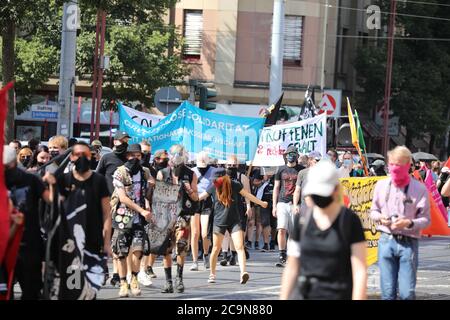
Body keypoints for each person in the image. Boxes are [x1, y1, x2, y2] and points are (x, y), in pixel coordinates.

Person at [280, 160, 367, 300]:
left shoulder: (350, 221)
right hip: (304, 294)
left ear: (336, 190)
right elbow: (292, 266)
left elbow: (359, 270)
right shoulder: (302, 220)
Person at [51, 141, 112, 298]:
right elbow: (53, 206)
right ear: (71, 157)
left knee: (90, 289)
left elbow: (106, 213)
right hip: (70, 244)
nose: (82, 158)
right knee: (73, 288)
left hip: (93, 242)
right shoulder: (64, 180)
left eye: (86, 155)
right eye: (78, 155)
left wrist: (106, 244)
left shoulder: (99, 180)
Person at [370, 146, 430, 300]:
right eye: (392, 164)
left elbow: (425, 219)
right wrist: (381, 218)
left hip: (408, 243)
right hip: (386, 240)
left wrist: (409, 223)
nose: (394, 168)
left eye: (399, 164)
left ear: (408, 165)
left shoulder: (419, 188)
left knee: (406, 293)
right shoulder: (381, 186)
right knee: (387, 293)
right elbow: (373, 211)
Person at [198, 168, 268, 284]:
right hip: (219, 221)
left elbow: (247, 195)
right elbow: (201, 197)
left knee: (240, 247)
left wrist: (261, 203)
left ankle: (243, 273)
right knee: (216, 248)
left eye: (216, 178)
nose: (214, 180)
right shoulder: (214, 186)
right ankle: (212, 274)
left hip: (235, 221)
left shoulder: (234, 184)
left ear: (224, 177)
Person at [4, 146, 53, 299]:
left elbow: (51, 200)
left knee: (31, 291)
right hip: (4, 246)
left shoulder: (31, 179)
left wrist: (52, 184)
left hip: (29, 245)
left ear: (13, 163)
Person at [151, 144, 199, 293]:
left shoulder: (191, 174)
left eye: (179, 155)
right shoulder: (162, 173)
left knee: (181, 246)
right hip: (166, 215)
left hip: (183, 214)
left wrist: (188, 189)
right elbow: (157, 197)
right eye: (174, 155)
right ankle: (168, 282)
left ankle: (179, 278)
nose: (176, 158)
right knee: (166, 249)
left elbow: (196, 197)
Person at [110, 143, 153, 298]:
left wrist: (151, 188)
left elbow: (148, 196)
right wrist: (141, 210)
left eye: (138, 155)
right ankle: (123, 283)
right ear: (126, 156)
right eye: (132, 155)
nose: (135, 158)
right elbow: (123, 198)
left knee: (138, 250)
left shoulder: (145, 172)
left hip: (139, 219)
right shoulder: (119, 173)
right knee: (121, 252)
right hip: (122, 216)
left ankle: (134, 278)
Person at [96, 131, 130, 286]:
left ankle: (118, 273)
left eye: (127, 141)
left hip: (125, 205)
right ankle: (104, 269)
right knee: (106, 236)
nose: (125, 143)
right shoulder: (107, 158)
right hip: (109, 203)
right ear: (115, 142)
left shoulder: (129, 158)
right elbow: (98, 177)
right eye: (122, 141)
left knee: (120, 238)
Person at [272, 145, 305, 267]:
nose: (291, 156)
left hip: (295, 204)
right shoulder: (280, 169)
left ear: (297, 156)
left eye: (293, 154)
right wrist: (274, 206)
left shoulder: (301, 169)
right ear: (285, 156)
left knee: (292, 231)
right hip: (282, 202)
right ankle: (282, 254)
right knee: (281, 229)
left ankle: (291, 255)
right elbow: (276, 188)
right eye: (289, 154)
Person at [143, 149, 169, 279]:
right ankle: (143, 267)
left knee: (158, 240)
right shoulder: (150, 171)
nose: (166, 161)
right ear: (157, 159)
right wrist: (147, 206)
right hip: (151, 208)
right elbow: (148, 191)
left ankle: (149, 266)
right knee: (149, 239)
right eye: (164, 158)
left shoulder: (168, 171)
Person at [220, 155, 252, 265]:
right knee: (225, 233)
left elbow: (247, 194)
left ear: (237, 165)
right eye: (229, 165)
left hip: (238, 207)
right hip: (224, 206)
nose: (231, 167)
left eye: (234, 165)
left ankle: (233, 255)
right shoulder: (221, 176)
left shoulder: (243, 178)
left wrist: (248, 207)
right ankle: (224, 255)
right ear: (225, 165)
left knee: (236, 232)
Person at [190, 151, 215, 271]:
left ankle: (205, 253)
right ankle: (195, 261)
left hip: (206, 201)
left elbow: (212, 187)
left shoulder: (213, 171)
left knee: (205, 233)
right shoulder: (192, 171)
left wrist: (199, 197)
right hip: (194, 202)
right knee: (194, 233)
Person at [293, 151, 321, 216]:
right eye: (317, 160)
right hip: (305, 207)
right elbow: (297, 190)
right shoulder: (302, 173)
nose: (319, 162)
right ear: (310, 160)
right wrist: (295, 205)